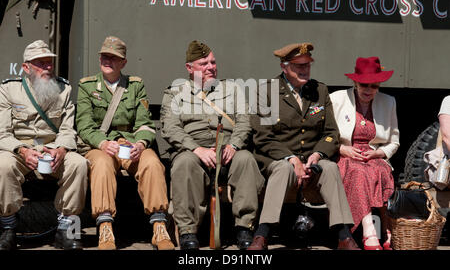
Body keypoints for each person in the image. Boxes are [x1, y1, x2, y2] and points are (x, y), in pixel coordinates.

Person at [249, 42, 359, 250]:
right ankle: (262, 234)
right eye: (298, 66)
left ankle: (344, 236)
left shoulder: (320, 90)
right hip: (277, 159)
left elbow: (330, 133)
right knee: (283, 169)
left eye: (307, 65)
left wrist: (317, 155)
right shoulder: (267, 92)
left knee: (330, 167)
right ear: (284, 67)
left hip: (311, 159)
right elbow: (263, 137)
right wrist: (291, 159)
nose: (304, 70)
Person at [160, 40, 265, 250]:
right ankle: (188, 231)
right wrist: (196, 149)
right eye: (203, 63)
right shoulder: (175, 92)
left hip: (227, 149)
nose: (211, 67)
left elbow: (244, 121)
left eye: (213, 62)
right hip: (192, 150)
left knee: (245, 159)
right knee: (184, 164)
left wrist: (234, 145)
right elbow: (170, 128)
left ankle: (244, 227)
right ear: (189, 68)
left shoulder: (232, 89)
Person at [76, 36, 174, 250]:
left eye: (113, 57)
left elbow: (145, 123)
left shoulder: (135, 86)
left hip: (130, 144)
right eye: (104, 56)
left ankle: (159, 226)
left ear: (123, 63)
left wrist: (140, 144)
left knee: (152, 163)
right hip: (99, 146)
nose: (107, 60)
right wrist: (102, 143)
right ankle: (104, 227)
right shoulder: (87, 86)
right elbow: (84, 125)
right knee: (101, 166)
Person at [0, 40, 88, 250]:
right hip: (19, 150)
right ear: (26, 67)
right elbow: (2, 133)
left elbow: (68, 129)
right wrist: (22, 150)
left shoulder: (63, 89)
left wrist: (61, 149)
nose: (48, 67)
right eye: (40, 63)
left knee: (79, 164)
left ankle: (66, 229)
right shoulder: (9, 89)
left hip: (53, 150)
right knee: (2, 165)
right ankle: (8, 228)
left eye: (49, 63)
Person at [330, 56, 399, 250]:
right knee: (358, 173)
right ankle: (370, 232)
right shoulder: (337, 99)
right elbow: (324, 134)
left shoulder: (389, 102)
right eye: (364, 85)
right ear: (355, 82)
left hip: (373, 154)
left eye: (374, 86)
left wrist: (379, 154)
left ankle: (386, 230)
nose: (369, 90)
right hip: (345, 155)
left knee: (380, 171)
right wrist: (342, 148)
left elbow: (394, 141)